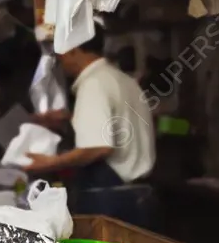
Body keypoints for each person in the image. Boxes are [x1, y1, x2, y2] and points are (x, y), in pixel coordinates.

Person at [24, 29, 156, 214]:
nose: (60, 60)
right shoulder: (121, 79)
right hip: (139, 194)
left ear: (73, 49)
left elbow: (98, 147)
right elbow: (115, 122)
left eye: (61, 52)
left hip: (113, 200)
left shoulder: (93, 84)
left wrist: (51, 162)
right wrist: (68, 120)